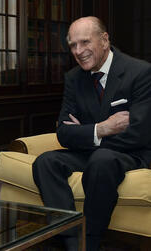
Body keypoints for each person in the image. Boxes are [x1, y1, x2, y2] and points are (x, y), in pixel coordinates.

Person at [32, 16, 151, 251]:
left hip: (131, 154)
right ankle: (71, 239)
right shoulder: (74, 78)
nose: (79, 51)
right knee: (45, 162)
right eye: (73, 45)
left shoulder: (140, 72)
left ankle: (90, 241)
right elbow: (64, 133)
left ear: (104, 40)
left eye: (85, 42)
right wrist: (102, 128)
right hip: (92, 152)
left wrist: (85, 133)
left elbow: (139, 132)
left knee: (101, 159)